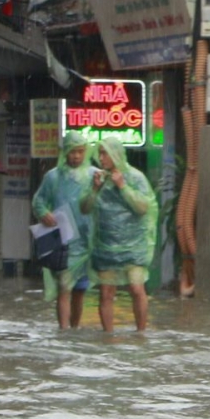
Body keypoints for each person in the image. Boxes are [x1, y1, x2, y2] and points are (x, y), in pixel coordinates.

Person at [81, 138, 157, 332]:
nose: (101, 158)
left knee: (137, 289)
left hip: (134, 248)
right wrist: (94, 189)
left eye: (105, 153)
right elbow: (85, 208)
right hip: (106, 248)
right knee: (106, 292)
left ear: (116, 154)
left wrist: (123, 186)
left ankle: (141, 333)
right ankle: (108, 336)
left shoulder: (135, 177)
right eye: (99, 153)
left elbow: (143, 207)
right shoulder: (99, 179)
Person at [31, 132, 96, 329]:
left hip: (86, 243)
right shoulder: (53, 177)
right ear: (65, 152)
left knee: (79, 291)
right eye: (72, 152)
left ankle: (74, 329)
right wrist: (44, 213)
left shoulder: (94, 176)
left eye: (80, 152)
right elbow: (39, 201)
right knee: (64, 287)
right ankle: (64, 330)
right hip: (63, 241)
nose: (76, 156)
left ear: (85, 152)